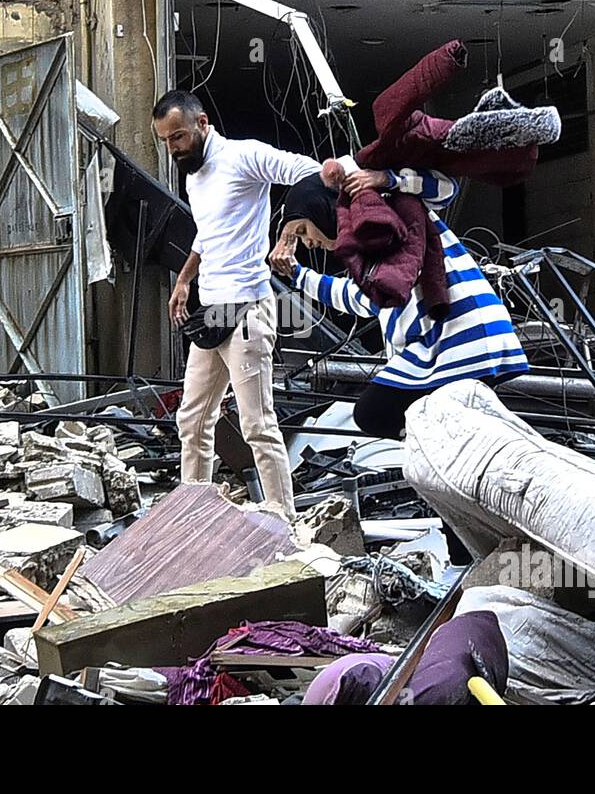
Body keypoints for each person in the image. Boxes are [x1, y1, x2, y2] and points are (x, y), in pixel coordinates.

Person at [152, 90, 321, 518]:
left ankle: (285, 519)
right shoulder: (193, 175)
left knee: (257, 426)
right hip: (212, 312)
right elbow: (207, 232)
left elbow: (310, 173)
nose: (173, 148)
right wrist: (185, 278)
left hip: (247, 310)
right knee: (191, 420)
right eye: (166, 141)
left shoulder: (244, 157)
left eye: (179, 137)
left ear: (202, 123)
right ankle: (193, 513)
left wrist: (286, 237)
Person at [270, 160, 528, 439]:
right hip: (458, 341)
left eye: (303, 230)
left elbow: (445, 187)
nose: (308, 243)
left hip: (457, 339)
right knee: (425, 426)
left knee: (375, 414)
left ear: (320, 209)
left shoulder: (382, 209)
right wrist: (298, 274)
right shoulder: (364, 247)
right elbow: (362, 300)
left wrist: (386, 178)